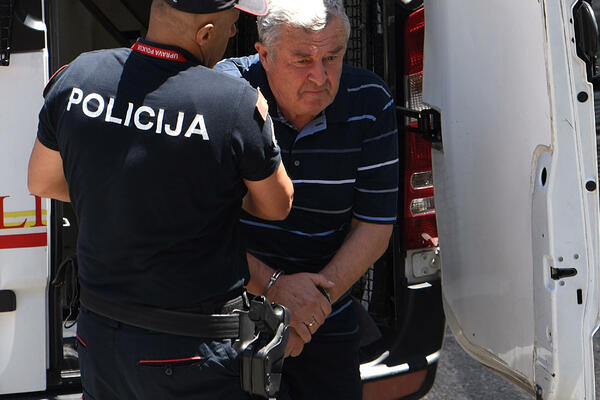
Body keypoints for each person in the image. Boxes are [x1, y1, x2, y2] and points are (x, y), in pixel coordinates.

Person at [27, 0, 295, 399]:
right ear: (205, 33)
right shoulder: (234, 104)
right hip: (192, 351)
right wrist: (197, 188)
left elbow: (41, 180)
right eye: (232, 23)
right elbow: (277, 205)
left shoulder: (78, 76)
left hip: (100, 339)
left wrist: (127, 191)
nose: (233, 33)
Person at [215, 0, 399, 398]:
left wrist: (308, 311)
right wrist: (274, 288)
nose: (320, 76)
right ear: (264, 55)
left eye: (332, 57)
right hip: (230, 309)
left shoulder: (369, 101)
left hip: (325, 309)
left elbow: (374, 226)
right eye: (302, 60)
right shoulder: (225, 92)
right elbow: (199, 226)